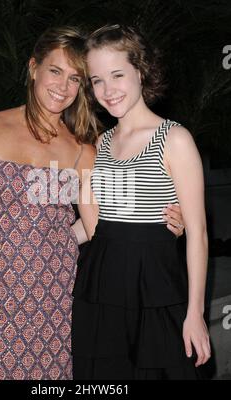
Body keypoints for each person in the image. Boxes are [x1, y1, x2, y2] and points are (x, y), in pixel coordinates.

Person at [0, 25, 185, 380]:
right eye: (55, 71)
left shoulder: (82, 149)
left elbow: (98, 226)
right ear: (33, 67)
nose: (63, 86)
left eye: (75, 78)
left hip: (64, 294)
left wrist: (163, 224)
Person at [72, 24, 211, 380]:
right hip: (99, 286)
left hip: (155, 287)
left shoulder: (174, 138)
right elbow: (94, 226)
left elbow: (197, 233)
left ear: (141, 71)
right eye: (97, 80)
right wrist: (30, 243)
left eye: (117, 74)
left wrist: (195, 313)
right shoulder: (100, 143)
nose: (107, 89)